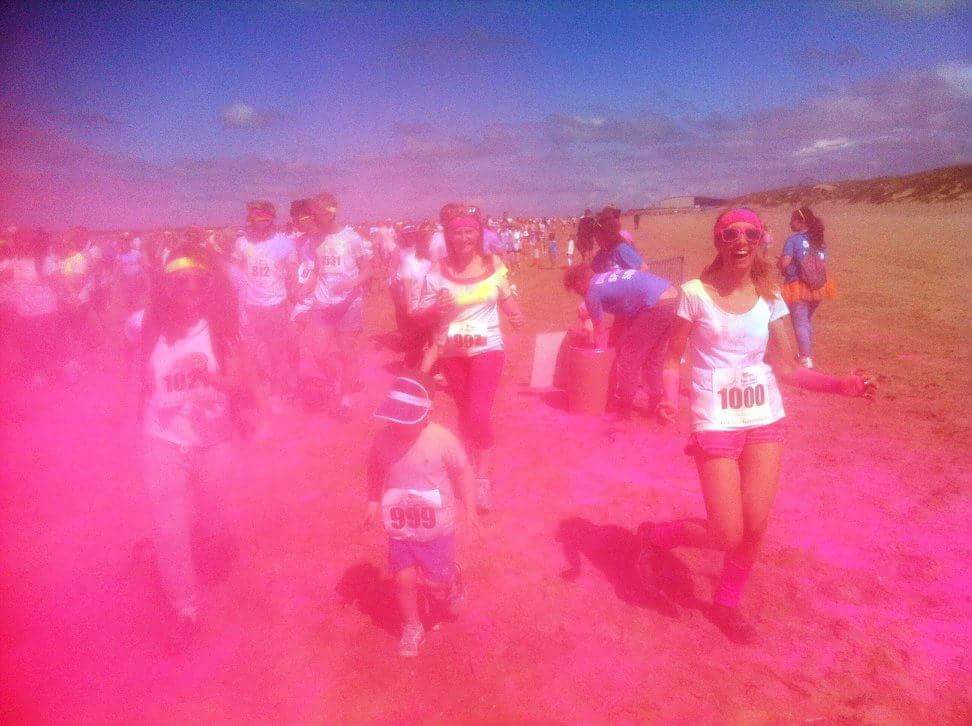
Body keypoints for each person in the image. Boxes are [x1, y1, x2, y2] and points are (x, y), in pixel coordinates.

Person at [644, 208, 875, 644]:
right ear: (719, 241)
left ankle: (727, 602)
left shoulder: (771, 296)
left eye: (750, 233)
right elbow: (673, 356)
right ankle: (658, 536)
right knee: (725, 531)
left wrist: (840, 385)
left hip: (765, 416)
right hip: (715, 419)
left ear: (760, 240)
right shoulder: (694, 293)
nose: (741, 241)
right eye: (731, 234)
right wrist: (667, 399)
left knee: (754, 527)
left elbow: (787, 368)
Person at [132, 244, 256, 628]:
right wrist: (129, 401)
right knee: (168, 523)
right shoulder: (144, 326)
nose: (190, 294)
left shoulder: (223, 328)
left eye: (197, 286)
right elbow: (135, 373)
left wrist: (211, 378)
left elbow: (240, 384)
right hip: (162, 436)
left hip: (212, 440)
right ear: (165, 289)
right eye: (179, 286)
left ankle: (206, 543)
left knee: (212, 516)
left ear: (208, 288)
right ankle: (184, 606)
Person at [364, 372, 481, 657]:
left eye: (406, 420)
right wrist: (372, 502)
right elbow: (375, 469)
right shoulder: (382, 440)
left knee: (436, 584)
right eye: (394, 419)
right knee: (403, 580)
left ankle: (450, 580)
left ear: (425, 416)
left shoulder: (441, 439)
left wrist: (471, 506)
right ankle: (412, 626)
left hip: (436, 528)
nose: (397, 426)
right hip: (401, 526)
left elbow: (463, 470)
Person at [417, 203, 524, 511]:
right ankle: (468, 466)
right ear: (448, 236)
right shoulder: (437, 270)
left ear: (478, 234)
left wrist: (514, 313)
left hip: (487, 348)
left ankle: (483, 479)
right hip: (452, 352)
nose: (463, 238)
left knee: (478, 413)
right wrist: (437, 307)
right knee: (466, 415)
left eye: (469, 232)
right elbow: (421, 313)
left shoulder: (494, 263)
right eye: (457, 232)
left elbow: (505, 295)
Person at [565, 264, 677, 421]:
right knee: (654, 358)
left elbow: (599, 330)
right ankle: (656, 403)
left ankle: (623, 410)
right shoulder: (605, 279)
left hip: (654, 303)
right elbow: (625, 314)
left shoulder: (591, 291)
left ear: (578, 282)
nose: (578, 293)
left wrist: (597, 359)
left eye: (575, 289)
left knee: (629, 357)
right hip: (671, 297)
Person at [302, 192, 373, 421]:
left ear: (331, 212)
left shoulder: (351, 238)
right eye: (311, 213)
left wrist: (351, 283)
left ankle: (345, 399)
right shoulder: (315, 240)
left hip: (348, 304)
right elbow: (316, 270)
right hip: (323, 304)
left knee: (347, 352)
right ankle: (337, 379)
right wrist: (306, 285)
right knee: (318, 352)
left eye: (316, 213)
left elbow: (367, 270)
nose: (312, 217)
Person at [233, 200, 297, 411]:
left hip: (275, 305)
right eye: (253, 218)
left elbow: (291, 273)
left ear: (270, 219)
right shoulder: (242, 243)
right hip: (248, 307)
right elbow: (237, 273)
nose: (256, 223)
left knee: (276, 353)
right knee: (248, 355)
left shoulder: (284, 242)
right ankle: (256, 393)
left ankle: (277, 393)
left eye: (261, 219)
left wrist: (294, 296)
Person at [778, 207, 837, 369]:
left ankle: (805, 357)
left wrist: (780, 264)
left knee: (800, 323)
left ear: (801, 222)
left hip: (798, 286)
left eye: (793, 220)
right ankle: (805, 353)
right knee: (806, 321)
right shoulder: (819, 240)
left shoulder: (793, 240)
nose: (790, 223)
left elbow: (785, 263)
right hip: (819, 287)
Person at [590, 206, 646, 273]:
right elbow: (592, 272)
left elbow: (643, 268)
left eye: (597, 235)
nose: (595, 239)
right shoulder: (600, 254)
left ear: (606, 234)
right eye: (595, 235)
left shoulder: (621, 249)